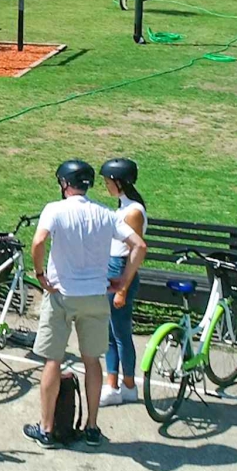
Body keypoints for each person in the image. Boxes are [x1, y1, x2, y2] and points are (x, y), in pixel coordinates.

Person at [24, 160, 148, 449]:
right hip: (95, 296)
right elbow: (139, 246)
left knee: (52, 361)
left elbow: (38, 241)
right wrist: (123, 281)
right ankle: (92, 427)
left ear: (65, 184)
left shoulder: (54, 209)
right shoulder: (105, 213)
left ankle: (46, 428)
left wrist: (41, 274)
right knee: (92, 362)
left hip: (61, 296)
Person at [99, 158, 148, 406]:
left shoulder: (133, 212)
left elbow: (135, 252)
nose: (106, 186)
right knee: (110, 332)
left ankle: (128, 386)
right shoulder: (123, 208)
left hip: (121, 270)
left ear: (120, 182)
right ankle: (112, 384)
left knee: (120, 334)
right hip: (112, 267)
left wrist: (123, 288)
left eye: (108, 182)